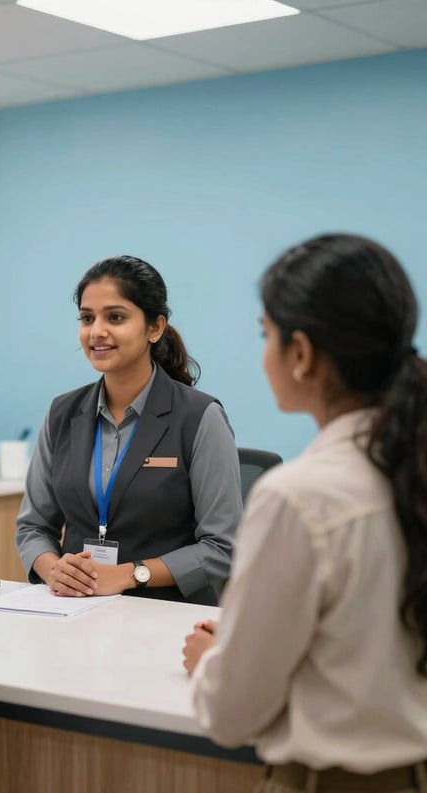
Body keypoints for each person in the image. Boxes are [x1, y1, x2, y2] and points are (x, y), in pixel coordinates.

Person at [183, 234, 427, 793]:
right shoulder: (406, 466)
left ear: (301, 353)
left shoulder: (299, 496)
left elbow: (232, 713)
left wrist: (214, 661)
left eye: (266, 335)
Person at [15, 255, 241, 605]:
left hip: (167, 613)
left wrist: (129, 574)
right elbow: (33, 527)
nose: (97, 331)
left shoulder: (199, 417)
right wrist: (52, 569)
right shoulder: (62, 413)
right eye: (87, 318)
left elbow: (223, 547)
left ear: (155, 328)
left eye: (115, 317)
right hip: (76, 611)